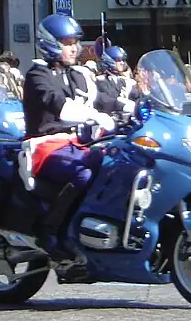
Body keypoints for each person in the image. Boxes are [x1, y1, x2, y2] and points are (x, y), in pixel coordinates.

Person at [20, 14, 116, 266]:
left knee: (113, 162)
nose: (75, 47)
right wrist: (95, 116)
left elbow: (99, 99)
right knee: (82, 173)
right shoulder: (37, 74)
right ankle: (51, 232)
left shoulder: (74, 74)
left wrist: (133, 107)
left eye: (75, 41)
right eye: (67, 42)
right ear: (51, 43)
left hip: (73, 143)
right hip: (44, 145)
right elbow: (59, 105)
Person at [94, 45, 136, 113]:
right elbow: (105, 100)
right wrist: (122, 105)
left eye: (122, 60)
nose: (122, 63)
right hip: (110, 118)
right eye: (118, 60)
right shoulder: (100, 81)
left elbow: (135, 94)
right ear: (110, 60)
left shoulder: (124, 80)